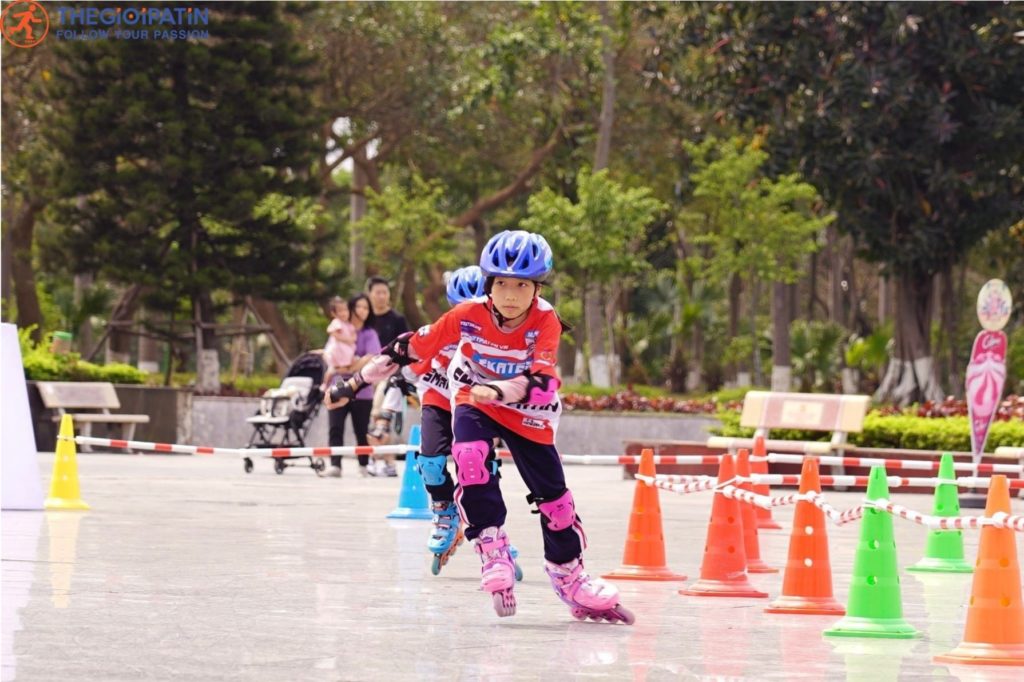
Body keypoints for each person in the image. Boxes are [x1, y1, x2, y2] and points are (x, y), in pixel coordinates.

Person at [329, 231, 634, 623]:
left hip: (528, 410)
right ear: (489, 284)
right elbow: (408, 347)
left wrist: (501, 389)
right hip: (474, 398)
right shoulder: (467, 314)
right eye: (502, 284)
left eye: (521, 285)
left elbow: (543, 383)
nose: (510, 295)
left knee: (555, 502)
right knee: (469, 458)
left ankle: (569, 574)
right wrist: (355, 384)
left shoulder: (546, 320)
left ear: (537, 287)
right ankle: (492, 549)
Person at [323, 293, 380, 478]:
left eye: (366, 308)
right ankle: (335, 465)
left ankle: (363, 466)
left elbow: (372, 358)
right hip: (337, 384)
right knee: (335, 427)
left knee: (361, 430)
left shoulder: (369, 333)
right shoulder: (341, 329)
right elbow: (330, 352)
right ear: (350, 308)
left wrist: (348, 367)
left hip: (362, 389)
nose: (363, 311)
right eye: (359, 307)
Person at [365, 276, 409, 476]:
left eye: (385, 292)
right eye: (377, 292)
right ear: (370, 294)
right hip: (365, 375)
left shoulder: (397, 319)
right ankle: (380, 461)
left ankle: (383, 461)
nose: (382, 296)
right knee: (372, 419)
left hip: (388, 376)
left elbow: (407, 349)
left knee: (381, 416)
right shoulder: (365, 319)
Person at [321, 296, 356, 381]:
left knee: (343, 370)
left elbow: (354, 335)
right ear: (334, 313)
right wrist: (345, 340)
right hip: (338, 351)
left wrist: (351, 339)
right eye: (340, 311)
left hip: (346, 352)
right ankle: (326, 384)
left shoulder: (349, 324)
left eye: (345, 310)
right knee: (336, 370)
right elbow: (331, 331)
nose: (344, 313)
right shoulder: (337, 322)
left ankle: (340, 383)